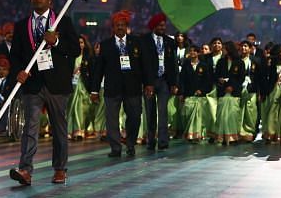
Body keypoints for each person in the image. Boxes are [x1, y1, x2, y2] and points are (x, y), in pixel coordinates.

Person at [9, 0, 80, 186]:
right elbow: (15, 57)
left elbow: (75, 50)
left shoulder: (63, 22)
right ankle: (25, 170)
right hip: (32, 84)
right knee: (29, 128)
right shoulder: (21, 26)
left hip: (57, 85)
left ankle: (60, 169)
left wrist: (57, 42)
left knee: (59, 129)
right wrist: (18, 72)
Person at [91, 10, 151, 158]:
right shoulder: (105, 45)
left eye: (122, 25)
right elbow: (98, 70)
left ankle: (130, 144)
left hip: (133, 88)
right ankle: (115, 148)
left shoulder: (137, 42)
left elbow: (145, 65)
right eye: (117, 25)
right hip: (112, 88)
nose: (120, 28)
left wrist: (149, 83)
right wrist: (94, 90)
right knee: (111, 120)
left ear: (127, 26)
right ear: (113, 27)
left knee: (135, 117)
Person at [141, 13, 178, 151]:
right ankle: (151, 141)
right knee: (150, 112)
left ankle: (163, 141)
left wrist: (174, 83)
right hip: (150, 82)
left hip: (164, 81)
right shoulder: (144, 40)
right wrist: (146, 83)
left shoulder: (169, 41)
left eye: (164, 25)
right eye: (160, 25)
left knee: (163, 112)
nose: (163, 28)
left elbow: (173, 64)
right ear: (154, 26)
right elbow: (143, 64)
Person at [179, 45, 212, 141]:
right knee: (187, 112)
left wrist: (202, 90)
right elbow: (182, 80)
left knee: (199, 114)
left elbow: (207, 81)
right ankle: (190, 134)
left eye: (195, 51)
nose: (192, 52)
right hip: (188, 94)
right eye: (191, 51)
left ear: (198, 53)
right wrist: (181, 93)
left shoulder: (204, 65)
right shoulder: (186, 65)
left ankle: (197, 134)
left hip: (201, 95)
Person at [214, 41, 244, 145]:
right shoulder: (221, 62)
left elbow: (241, 78)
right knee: (222, 116)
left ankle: (233, 138)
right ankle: (223, 138)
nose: (223, 51)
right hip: (223, 91)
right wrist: (220, 81)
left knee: (232, 115)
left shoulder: (239, 62)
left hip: (234, 93)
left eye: (225, 49)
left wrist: (232, 87)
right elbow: (216, 76)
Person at [66, 35, 94, 140]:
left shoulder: (88, 57)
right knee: (70, 108)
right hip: (71, 86)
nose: (80, 44)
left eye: (82, 42)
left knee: (81, 108)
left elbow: (91, 73)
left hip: (83, 86)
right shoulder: (70, 57)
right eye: (78, 42)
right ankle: (69, 130)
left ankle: (79, 130)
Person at [264, 44, 281, 145]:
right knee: (272, 111)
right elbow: (267, 78)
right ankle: (271, 134)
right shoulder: (271, 64)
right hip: (273, 89)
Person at [239, 40, 260, 142]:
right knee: (240, 111)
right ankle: (240, 133)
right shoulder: (237, 60)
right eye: (242, 46)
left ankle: (251, 132)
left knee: (251, 111)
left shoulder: (256, 61)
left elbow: (260, 77)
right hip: (239, 90)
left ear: (250, 48)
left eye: (246, 46)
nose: (243, 48)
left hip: (252, 90)